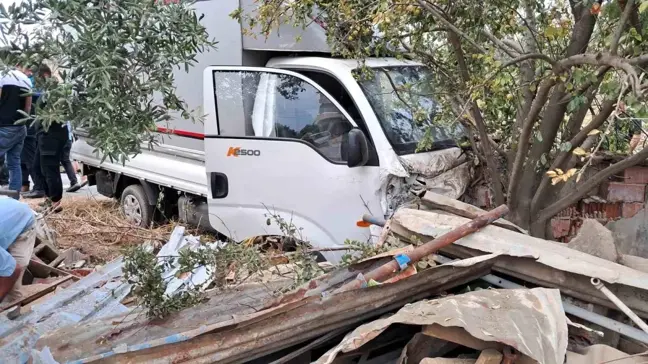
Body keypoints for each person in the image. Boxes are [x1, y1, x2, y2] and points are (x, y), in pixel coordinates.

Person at [34, 64, 67, 213]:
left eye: (36, 78)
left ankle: (55, 201)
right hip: (44, 135)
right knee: (37, 167)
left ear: (44, 76)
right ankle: (49, 197)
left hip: (51, 135)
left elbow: (55, 114)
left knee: (49, 169)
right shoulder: (47, 92)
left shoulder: (54, 92)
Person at [0, 65, 33, 196]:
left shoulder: (2, 75)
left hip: (4, 126)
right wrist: (23, 123)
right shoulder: (26, 79)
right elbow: (28, 107)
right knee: (14, 162)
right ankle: (14, 197)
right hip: (20, 127)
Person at [0, 197, 36, 305]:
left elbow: (13, 270)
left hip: (23, 222)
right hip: (7, 216)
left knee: (11, 290)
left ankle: (13, 313)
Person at [62, 121, 82, 192]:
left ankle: (74, 181)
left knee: (65, 160)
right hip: (68, 139)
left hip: (63, 139)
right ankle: (74, 181)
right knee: (66, 160)